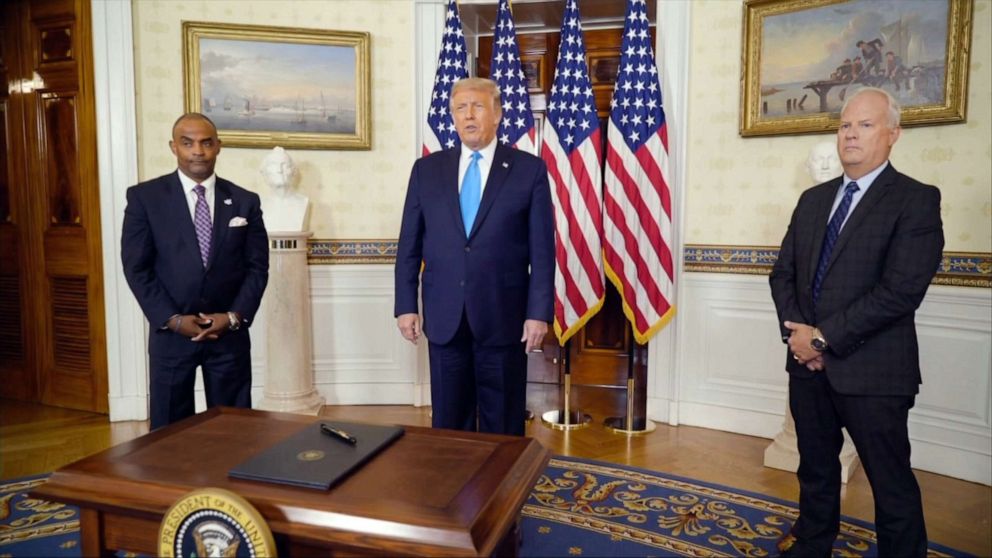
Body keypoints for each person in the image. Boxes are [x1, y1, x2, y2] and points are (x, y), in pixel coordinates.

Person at [770, 87, 943, 557]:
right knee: (815, 470)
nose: (850, 134)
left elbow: (901, 290)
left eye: (865, 125)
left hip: (873, 372)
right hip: (807, 366)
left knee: (891, 482)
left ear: (893, 135)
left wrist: (823, 339)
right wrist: (801, 340)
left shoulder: (915, 200)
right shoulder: (812, 200)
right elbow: (783, 274)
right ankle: (812, 543)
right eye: (845, 124)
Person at [394, 77, 554, 436]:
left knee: (503, 420)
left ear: (497, 114)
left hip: (504, 317)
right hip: (444, 317)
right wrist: (406, 305)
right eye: (460, 108)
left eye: (477, 106)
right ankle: (451, 487)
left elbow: (543, 251)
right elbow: (409, 245)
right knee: (449, 422)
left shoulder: (529, 170)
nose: (468, 116)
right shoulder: (426, 171)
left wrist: (538, 314)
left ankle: (502, 489)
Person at [122, 113, 269, 430]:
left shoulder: (245, 202)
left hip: (228, 335)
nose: (197, 151)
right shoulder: (144, 199)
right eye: (188, 143)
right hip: (171, 334)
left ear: (219, 147)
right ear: (174, 147)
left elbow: (257, 268)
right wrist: (172, 320)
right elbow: (137, 268)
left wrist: (232, 317)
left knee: (234, 428)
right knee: (169, 433)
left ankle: (230, 481)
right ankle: (172, 481)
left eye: (206, 143)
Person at [260, 146, 310, 232]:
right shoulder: (258, 204)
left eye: (284, 165)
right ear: (264, 172)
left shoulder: (304, 202)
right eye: (273, 165)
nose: (279, 170)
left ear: (293, 171)